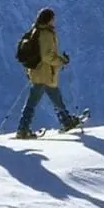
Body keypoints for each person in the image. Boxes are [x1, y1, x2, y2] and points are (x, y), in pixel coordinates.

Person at [15, 8, 81, 138]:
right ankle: (23, 128)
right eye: (53, 18)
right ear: (49, 19)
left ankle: (65, 120)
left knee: (51, 98)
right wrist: (62, 60)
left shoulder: (36, 31)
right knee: (35, 102)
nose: (54, 20)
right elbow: (47, 56)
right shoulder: (46, 34)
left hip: (39, 72)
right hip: (45, 72)